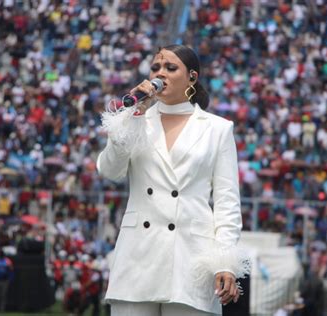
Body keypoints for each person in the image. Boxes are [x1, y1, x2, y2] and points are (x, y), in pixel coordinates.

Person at [96, 44, 249, 316]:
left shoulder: (218, 129)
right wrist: (128, 119)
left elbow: (227, 202)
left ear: (192, 77)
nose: (160, 73)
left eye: (170, 67)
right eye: (156, 67)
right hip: (138, 255)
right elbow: (110, 171)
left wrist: (225, 261)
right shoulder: (135, 120)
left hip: (191, 257)